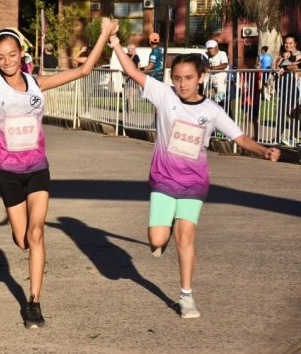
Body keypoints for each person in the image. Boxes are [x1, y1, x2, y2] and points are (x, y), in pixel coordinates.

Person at [0, 0, 119, 329]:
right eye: (0, 57)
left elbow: (82, 71)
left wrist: (105, 34)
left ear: (22, 53)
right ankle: (29, 264)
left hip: (37, 171)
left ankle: (33, 301)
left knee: (36, 234)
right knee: (21, 239)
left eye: (12, 54)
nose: (7, 61)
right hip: (7, 174)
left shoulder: (36, 84)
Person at [108, 33, 281, 320]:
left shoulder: (211, 110)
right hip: (164, 179)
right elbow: (132, 71)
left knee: (185, 237)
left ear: (201, 77)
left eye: (188, 78)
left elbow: (238, 136)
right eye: (177, 78)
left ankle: (186, 296)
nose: (182, 83)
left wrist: (262, 151)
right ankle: (161, 233)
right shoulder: (164, 96)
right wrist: (114, 43)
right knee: (156, 239)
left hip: (193, 183)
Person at [274, 34, 301, 146]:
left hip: (294, 87)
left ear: (295, 44)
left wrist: (284, 68)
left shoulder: (298, 54)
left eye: (290, 43)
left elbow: (297, 67)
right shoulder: (282, 56)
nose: (288, 45)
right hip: (284, 88)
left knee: (293, 113)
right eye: (286, 43)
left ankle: (293, 138)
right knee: (281, 113)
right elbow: (277, 69)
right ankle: (276, 138)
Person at [205, 39, 230, 106]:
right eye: (208, 49)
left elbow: (225, 64)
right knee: (217, 101)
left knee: (221, 102)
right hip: (214, 83)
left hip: (222, 83)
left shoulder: (222, 53)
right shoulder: (210, 57)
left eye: (211, 48)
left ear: (217, 47)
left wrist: (211, 68)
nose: (210, 50)